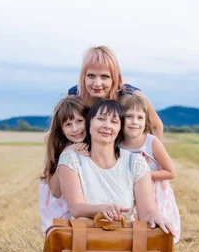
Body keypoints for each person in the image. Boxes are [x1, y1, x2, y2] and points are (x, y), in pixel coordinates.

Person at [57, 99, 171, 233]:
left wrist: (155, 216)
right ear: (89, 123)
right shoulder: (71, 159)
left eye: (114, 121)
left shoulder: (136, 163)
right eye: (101, 119)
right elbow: (76, 208)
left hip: (127, 242)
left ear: (120, 128)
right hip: (84, 240)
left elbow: (147, 211)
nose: (107, 125)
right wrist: (102, 209)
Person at [120, 94, 184, 252]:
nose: (134, 122)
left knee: (162, 243)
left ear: (145, 121)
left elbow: (170, 172)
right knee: (137, 244)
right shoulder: (117, 145)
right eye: (129, 117)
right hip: (132, 200)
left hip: (156, 197)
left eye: (139, 118)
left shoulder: (151, 142)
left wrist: (142, 174)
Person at [67, 46, 164, 140]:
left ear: (115, 78)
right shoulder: (74, 96)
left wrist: (151, 154)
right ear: (83, 77)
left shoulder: (131, 95)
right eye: (91, 75)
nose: (97, 84)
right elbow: (58, 130)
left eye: (104, 76)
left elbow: (156, 126)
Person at [39, 96, 89, 234]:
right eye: (68, 124)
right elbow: (55, 191)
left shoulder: (95, 144)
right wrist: (66, 154)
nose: (75, 129)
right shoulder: (60, 147)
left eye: (80, 121)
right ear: (61, 129)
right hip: (60, 209)